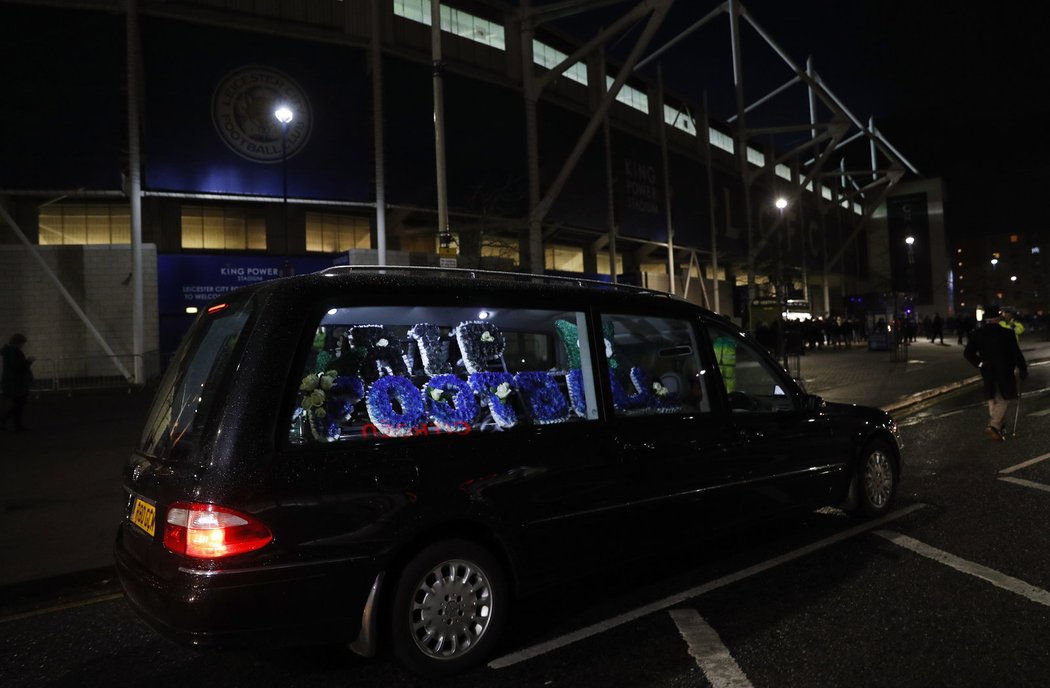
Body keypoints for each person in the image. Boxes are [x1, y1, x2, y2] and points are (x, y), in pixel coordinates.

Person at [964, 312, 1027, 441]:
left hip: (987, 370)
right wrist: (1022, 369)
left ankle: (998, 427)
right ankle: (993, 426)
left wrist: (980, 363)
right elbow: (1016, 353)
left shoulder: (977, 333)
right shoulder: (1007, 333)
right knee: (1004, 398)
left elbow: (967, 353)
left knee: (992, 397)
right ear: (998, 319)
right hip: (1005, 370)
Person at [1, 333, 35, 431]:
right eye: (22, 343)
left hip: (12, 382)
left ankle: (16, 425)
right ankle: (6, 420)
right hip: (16, 383)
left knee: (18, 404)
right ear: (18, 342)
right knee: (20, 403)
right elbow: (17, 367)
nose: (23, 345)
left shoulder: (8, 351)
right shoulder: (14, 351)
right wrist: (28, 361)